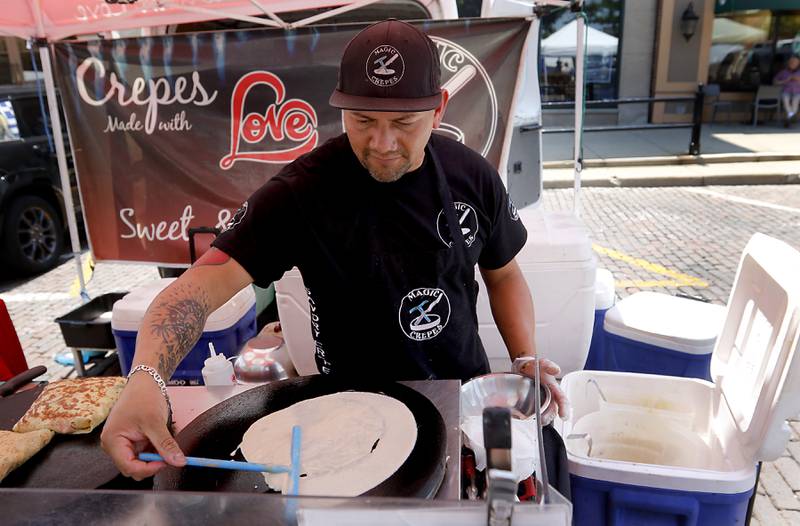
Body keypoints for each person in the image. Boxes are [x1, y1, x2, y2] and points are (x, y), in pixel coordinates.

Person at [101, 19, 570, 482]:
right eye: (363, 121)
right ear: (341, 108)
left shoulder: (474, 177)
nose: (382, 144)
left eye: (404, 123)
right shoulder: (300, 193)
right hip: (349, 412)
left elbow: (504, 274)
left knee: (504, 501)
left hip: (467, 398)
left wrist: (524, 359)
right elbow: (195, 292)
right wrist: (145, 378)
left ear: (439, 109)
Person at [775, 55, 800, 127]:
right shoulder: (783, 72)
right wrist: (785, 81)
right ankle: (791, 117)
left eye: (795, 62)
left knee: (795, 104)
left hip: (798, 92)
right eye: (791, 62)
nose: (793, 63)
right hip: (785, 91)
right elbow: (775, 82)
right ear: (788, 62)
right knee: (785, 101)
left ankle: (789, 118)